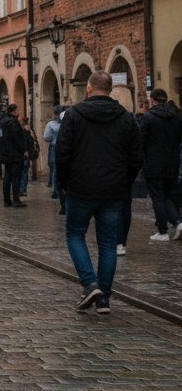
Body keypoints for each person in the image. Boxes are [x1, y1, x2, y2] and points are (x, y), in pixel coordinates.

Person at [56, 71, 142, 313]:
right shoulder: (125, 118)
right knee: (107, 243)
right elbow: (136, 156)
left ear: (89, 88)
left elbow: (62, 153)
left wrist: (64, 182)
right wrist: (124, 181)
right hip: (113, 189)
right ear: (110, 89)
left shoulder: (74, 115)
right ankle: (104, 299)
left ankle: (90, 284)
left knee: (75, 234)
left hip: (80, 187)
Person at [138, 88, 182, 242]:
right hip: (172, 163)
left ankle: (163, 231)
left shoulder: (148, 118)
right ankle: (177, 222)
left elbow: (141, 141)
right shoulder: (176, 117)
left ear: (152, 100)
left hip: (154, 164)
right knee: (167, 196)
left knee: (158, 198)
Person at [0, 104, 27, 208]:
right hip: (15, 154)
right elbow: (17, 138)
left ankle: (6, 200)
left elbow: (0, 137)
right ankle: (16, 199)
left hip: (6, 153)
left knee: (7, 176)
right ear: (14, 111)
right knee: (16, 177)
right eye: (17, 110)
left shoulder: (2, 122)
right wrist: (23, 149)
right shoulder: (13, 122)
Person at [43, 106, 64, 213]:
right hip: (67, 146)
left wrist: (54, 137)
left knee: (55, 168)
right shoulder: (68, 122)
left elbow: (46, 137)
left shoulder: (51, 124)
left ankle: (56, 191)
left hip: (55, 146)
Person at [18, 115, 40, 200]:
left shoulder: (21, 130)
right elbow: (34, 141)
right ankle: (23, 190)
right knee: (25, 172)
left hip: (22, 154)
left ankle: (20, 190)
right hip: (28, 154)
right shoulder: (30, 130)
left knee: (21, 172)